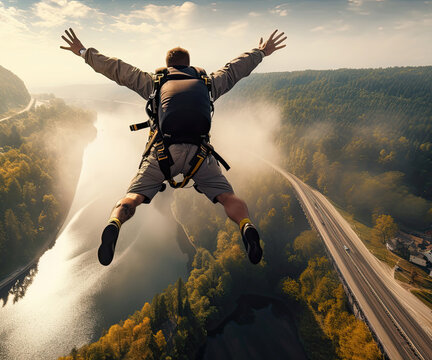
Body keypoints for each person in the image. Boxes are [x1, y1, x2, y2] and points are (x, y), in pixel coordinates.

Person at [60, 27, 287, 266]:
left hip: (162, 153)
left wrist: (84, 52)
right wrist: (260, 52)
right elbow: (234, 70)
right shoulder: (207, 83)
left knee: (132, 196)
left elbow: (117, 69)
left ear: (167, 65)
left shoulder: (155, 83)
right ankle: (246, 225)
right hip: (200, 156)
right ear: (189, 64)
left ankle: (114, 224)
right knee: (227, 196)